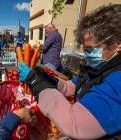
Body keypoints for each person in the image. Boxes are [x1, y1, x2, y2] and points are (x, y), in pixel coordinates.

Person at [17, 4, 121, 139]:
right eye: (83, 48)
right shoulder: (99, 68)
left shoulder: (118, 80)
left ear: (118, 43)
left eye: (90, 49)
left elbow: (74, 122)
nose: (85, 54)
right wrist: (44, 77)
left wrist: (36, 82)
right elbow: (68, 87)